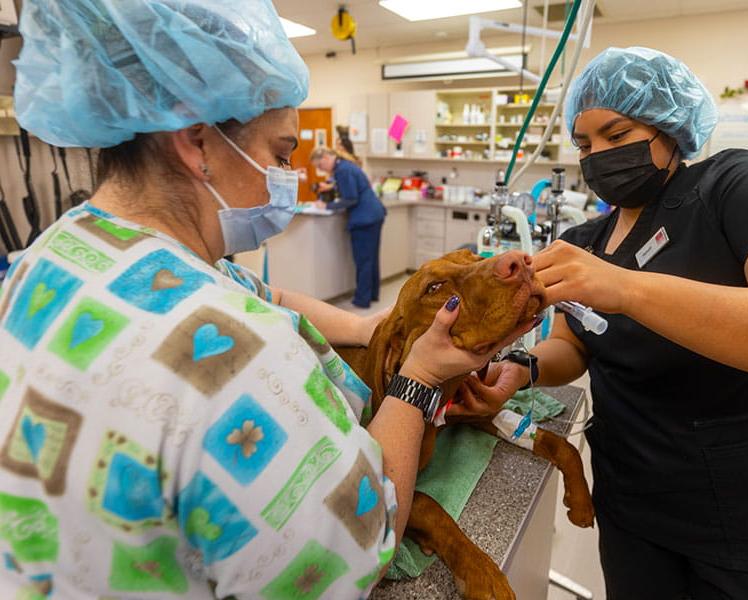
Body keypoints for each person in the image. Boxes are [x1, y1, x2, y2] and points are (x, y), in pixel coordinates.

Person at [0, 1, 530, 597]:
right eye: (280, 155)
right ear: (198, 141)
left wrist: (377, 327)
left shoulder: (51, 258)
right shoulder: (235, 354)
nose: (288, 177)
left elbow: (269, 291)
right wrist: (419, 378)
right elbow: (362, 542)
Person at [452, 46, 748, 599]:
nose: (597, 154)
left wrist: (626, 288)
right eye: (584, 144)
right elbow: (574, 346)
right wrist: (519, 370)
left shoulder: (743, 188)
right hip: (638, 507)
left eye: (617, 135)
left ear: (670, 127)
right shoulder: (587, 242)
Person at [310, 147, 386, 308]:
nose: (321, 170)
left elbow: (351, 198)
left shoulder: (343, 170)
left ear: (325, 158)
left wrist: (327, 206)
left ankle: (362, 300)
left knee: (363, 260)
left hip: (364, 218)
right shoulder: (346, 166)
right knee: (371, 259)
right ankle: (372, 294)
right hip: (374, 214)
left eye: (320, 166)